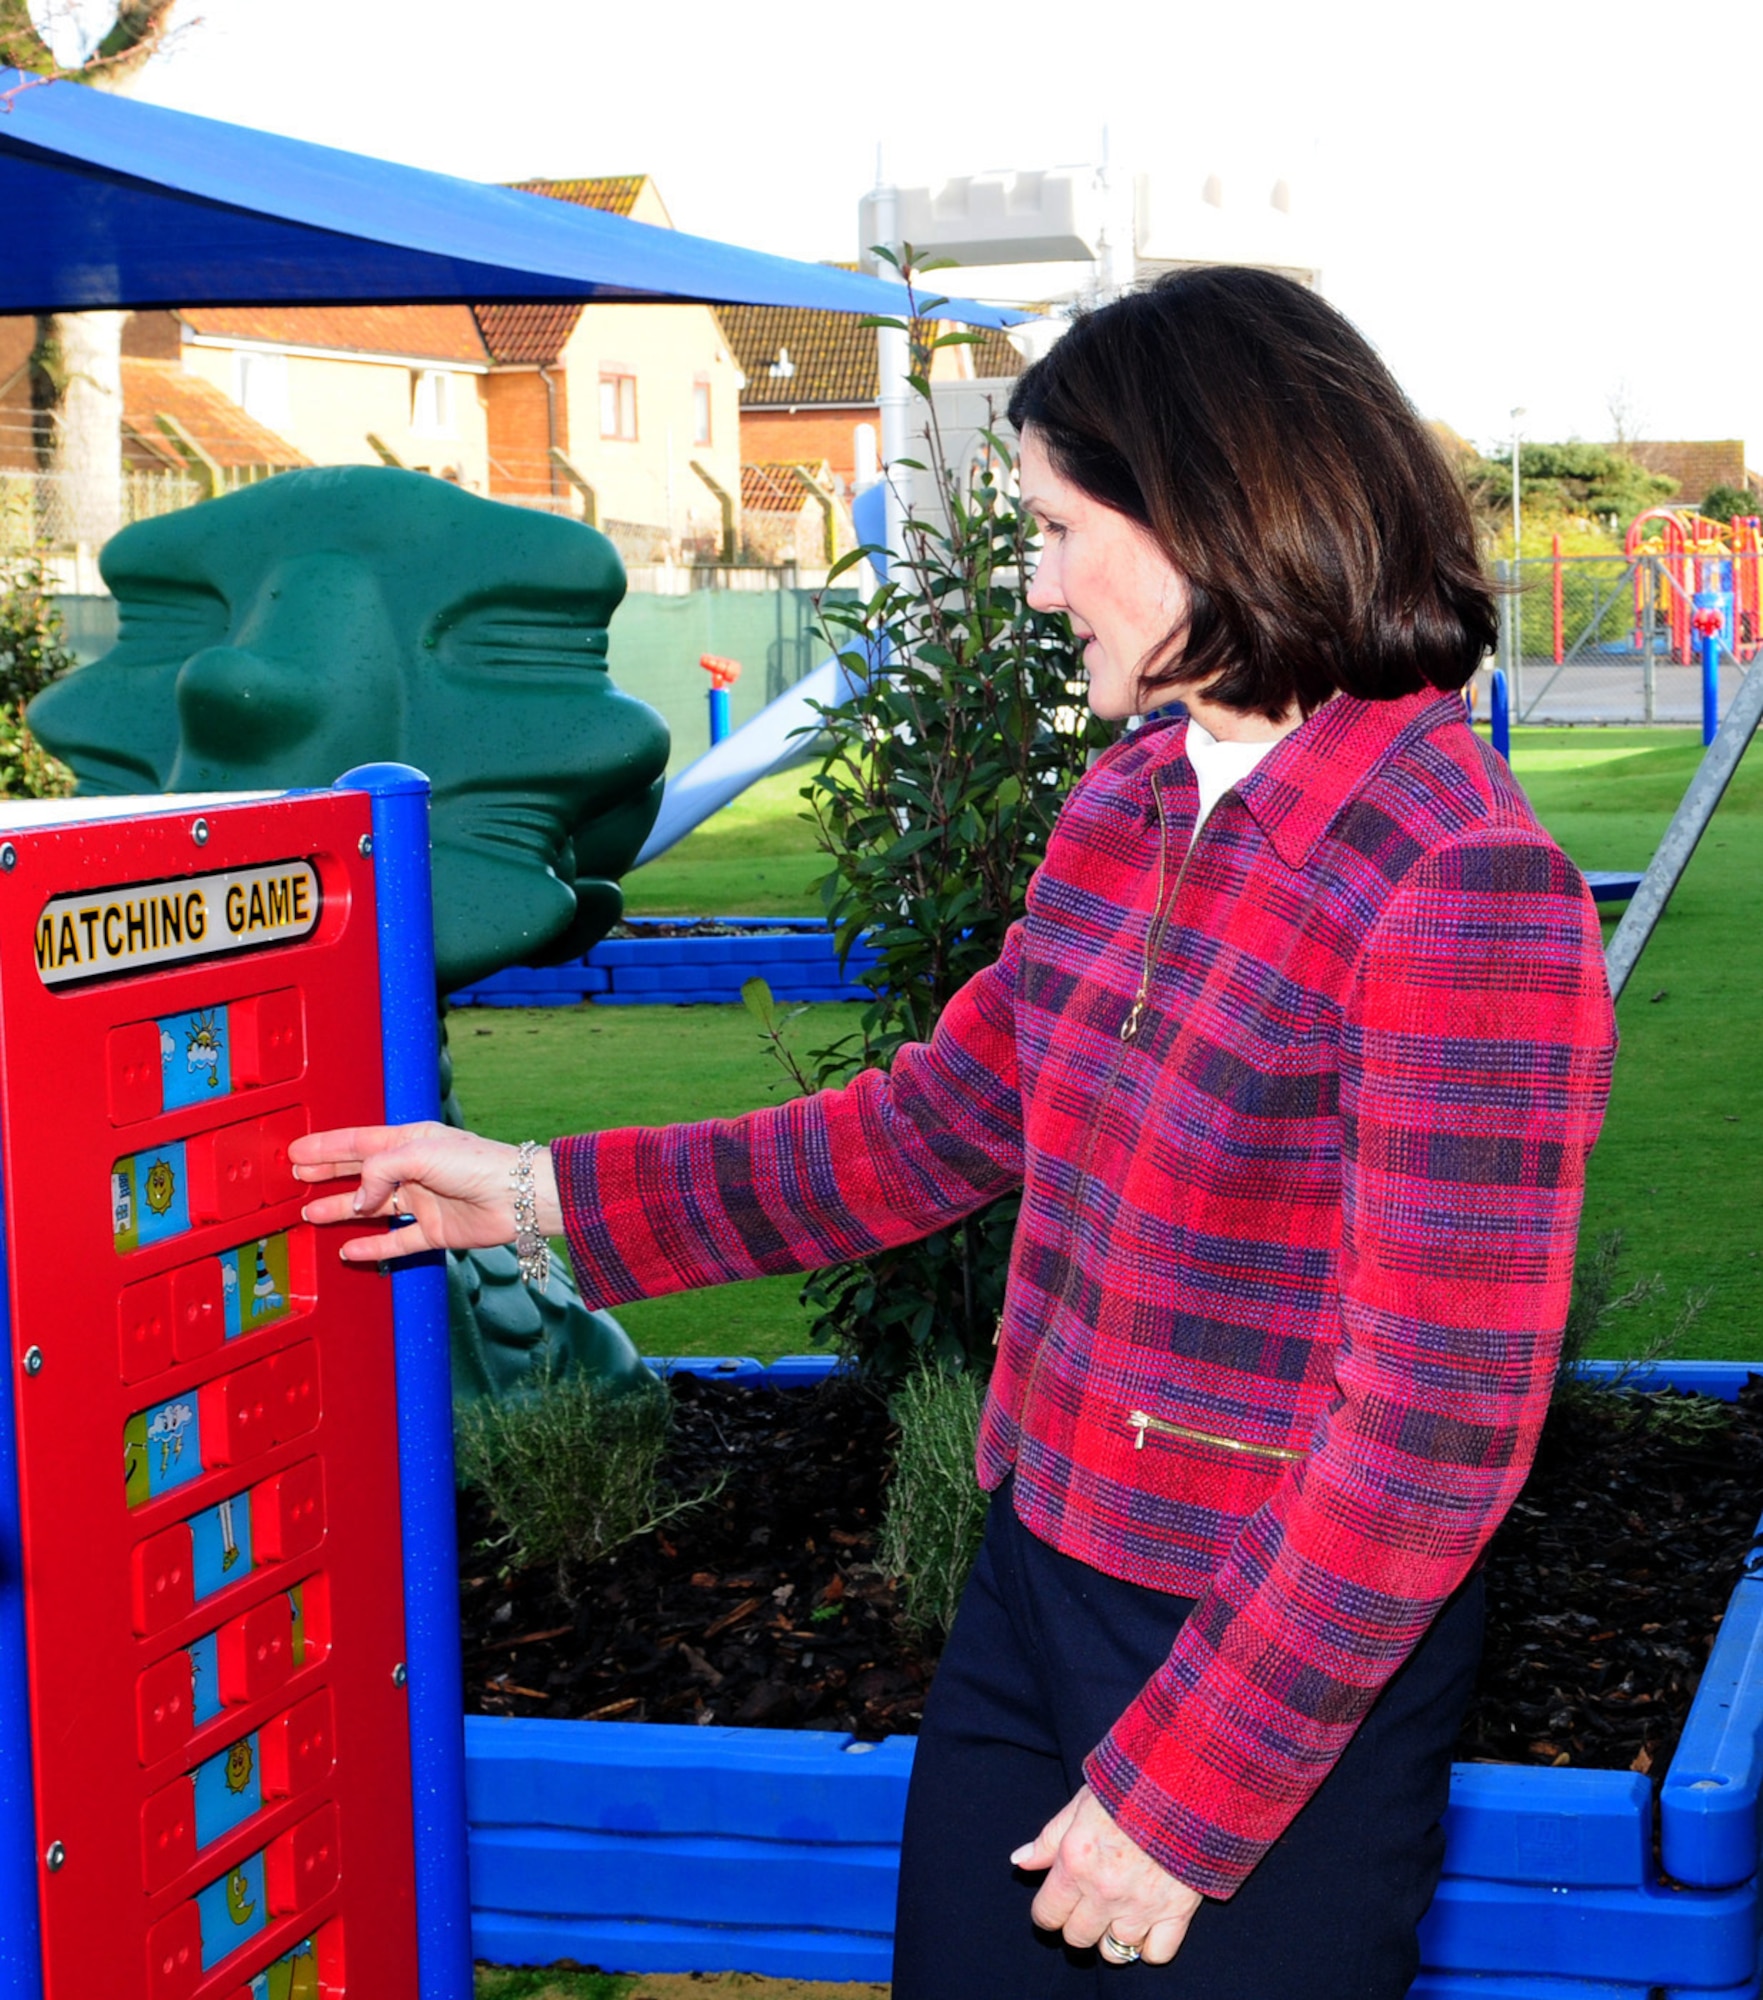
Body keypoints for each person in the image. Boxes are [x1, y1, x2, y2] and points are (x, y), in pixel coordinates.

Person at [292, 266, 1617, 1999]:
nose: (1044, 580)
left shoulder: (1462, 885)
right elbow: (932, 1127)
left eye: (1066, 529)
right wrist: (535, 1196)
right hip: (1039, 1574)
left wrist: (1185, 1798)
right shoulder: (1138, 795)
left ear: (1217, 516)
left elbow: (1436, 1426)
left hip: (1267, 1660)